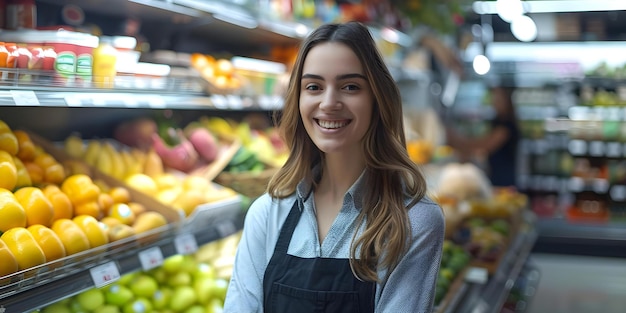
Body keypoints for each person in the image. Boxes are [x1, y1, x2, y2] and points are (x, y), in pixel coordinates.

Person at [223, 21, 445, 313]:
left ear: (377, 99)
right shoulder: (267, 214)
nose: (329, 103)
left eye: (350, 87)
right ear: (298, 99)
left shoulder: (413, 222)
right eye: (313, 86)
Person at [445, 86, 521, 187]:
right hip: (496, 174)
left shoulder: (507, 125)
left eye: (498, 99)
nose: (494, 102)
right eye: (493, 98)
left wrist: (457, 141)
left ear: (506, 100)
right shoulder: (497, 121)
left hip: (504, 179)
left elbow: (485, 145)